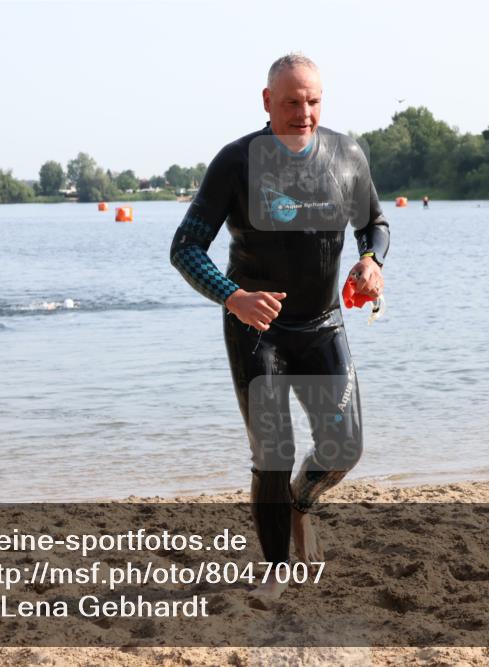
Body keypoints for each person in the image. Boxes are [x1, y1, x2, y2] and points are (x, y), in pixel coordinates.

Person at [169, 53, 389, 604]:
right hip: (256, 329)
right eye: (291, 101)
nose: (304, 112)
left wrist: (372, 261)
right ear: (267, 101)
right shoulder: (237, 161)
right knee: (274, 451)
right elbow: (185, 247)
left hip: (322, 325)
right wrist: (232, 296)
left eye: (313, 101)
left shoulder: (348, 155)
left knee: (344, 447)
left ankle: (301, 503)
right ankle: (273, 568)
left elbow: (375, 224)